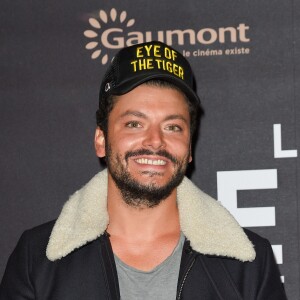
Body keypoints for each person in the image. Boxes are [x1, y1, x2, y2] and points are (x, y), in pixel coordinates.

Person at [0, 41, 287, 299]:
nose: (155, 141)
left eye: (172, 127)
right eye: (134, 123)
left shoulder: (247, 265)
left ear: (188, 150)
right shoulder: (37, 259)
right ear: (101, 140)